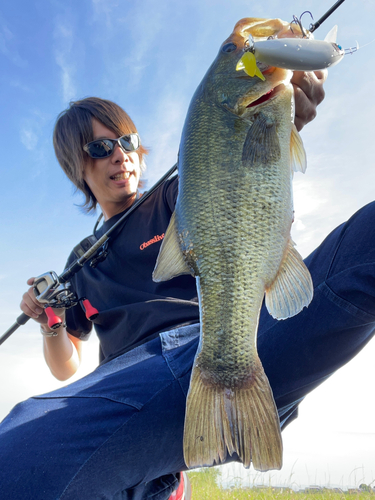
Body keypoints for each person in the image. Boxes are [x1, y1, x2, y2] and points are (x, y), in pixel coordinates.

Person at [1, 69, 374, 500]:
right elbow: (65, 366)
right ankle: (159, 477)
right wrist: (50, 322)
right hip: (132, 386)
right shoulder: (81, 261)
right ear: (76, 166)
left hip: (228, 337)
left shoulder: (181, 195)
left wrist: (275, 120)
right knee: (16, 456)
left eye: (126, 142)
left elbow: (235, 166)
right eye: (101, 148)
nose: (120, 155)